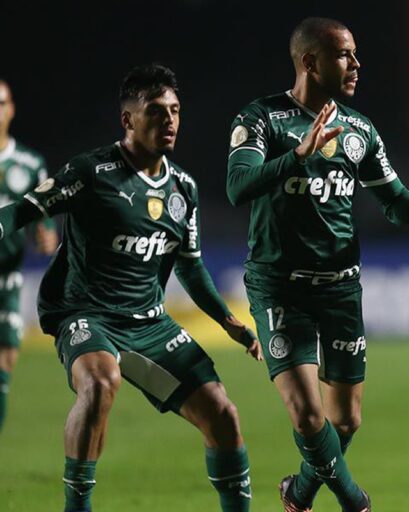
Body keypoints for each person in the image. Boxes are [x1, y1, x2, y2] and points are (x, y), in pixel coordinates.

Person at [0, 64, 261, 511]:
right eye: (157, 111)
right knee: (101, 383)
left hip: (149, 321)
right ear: (128, 120)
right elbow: (18, 213)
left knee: (223, 415)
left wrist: (229, 321)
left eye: (176, 110)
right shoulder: (90, 172)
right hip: (84, 314)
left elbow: (191, 269)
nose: (170, 120)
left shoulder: (184, 189)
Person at [226, 17, 409, 512]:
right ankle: (355, 501)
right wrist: (296, 157)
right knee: (308, 416)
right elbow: (237, 188)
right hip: (280, 289)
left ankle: (299, 493)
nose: (357, 65)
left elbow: (396, 206)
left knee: (345, 422)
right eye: (345, 55)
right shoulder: (261, 119)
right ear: (311, 62)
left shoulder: (359, 129)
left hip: (341, 290)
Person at [0, 79, 59, 435]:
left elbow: (44, 222)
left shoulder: (30, 163)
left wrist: (46, 235)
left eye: (2, 102)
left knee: (6, 358)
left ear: (12, 108)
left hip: (7, 278)